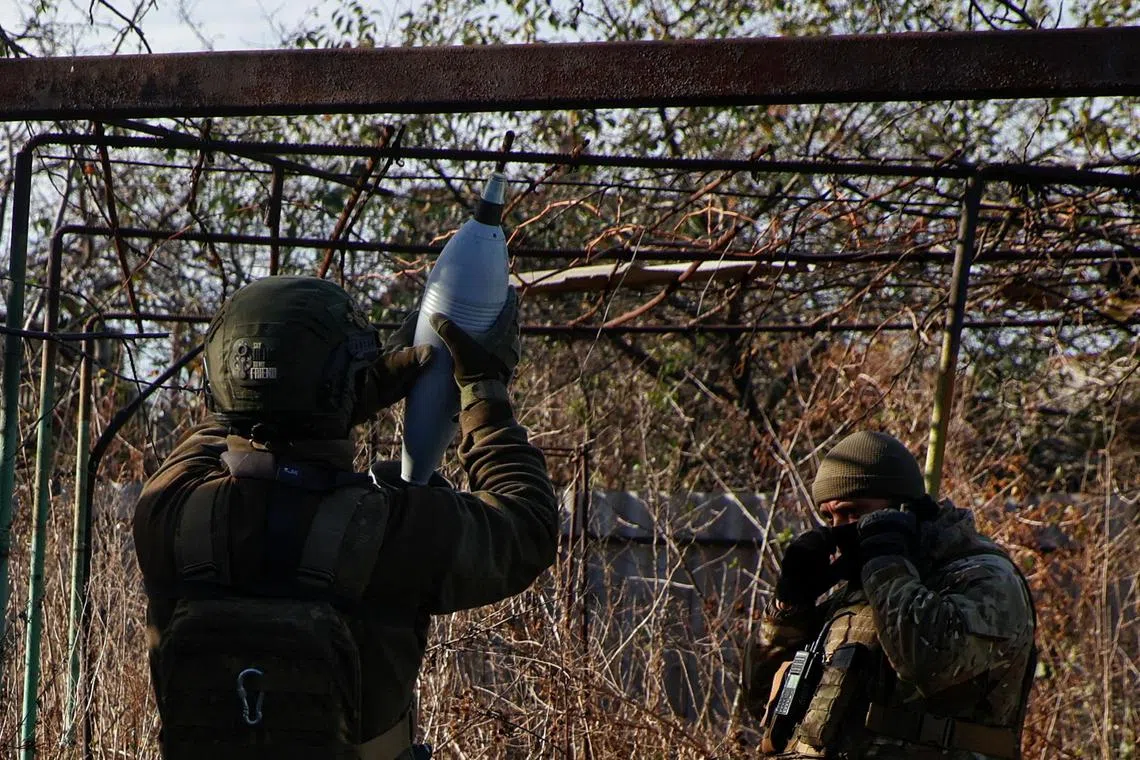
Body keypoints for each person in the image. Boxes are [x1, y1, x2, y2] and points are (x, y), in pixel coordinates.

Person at [133, 275, 558, 759]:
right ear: (347, 385)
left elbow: (227, 422)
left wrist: (338, 393)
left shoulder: (165, 514)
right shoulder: (390, 530)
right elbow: (528, 524)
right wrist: (485, 395)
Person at [742, 431, 1036, 759]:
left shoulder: (983, 577)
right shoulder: (855, 593)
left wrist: (885, 562)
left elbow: (927, 661)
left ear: (902, 510)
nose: (839, 530)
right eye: (829, 517)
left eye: (854, 513)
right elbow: (761, 704)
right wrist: (789, 608)